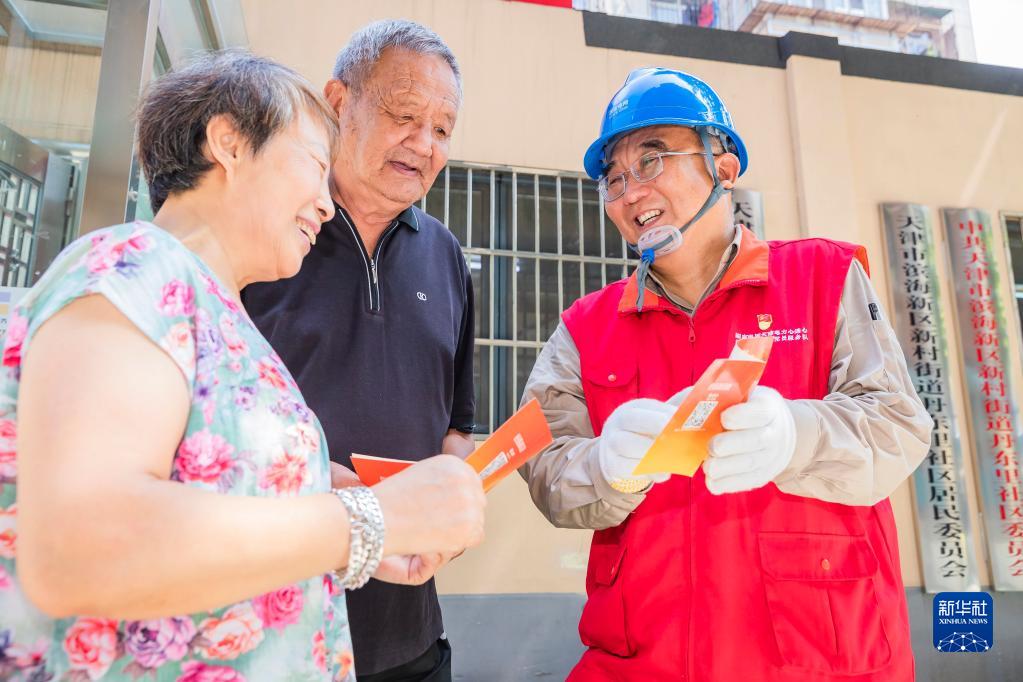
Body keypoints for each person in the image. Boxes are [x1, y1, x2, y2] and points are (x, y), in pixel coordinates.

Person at [0, 51, 485, 681]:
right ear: (229, 142)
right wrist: (371, 520)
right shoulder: (131, 267)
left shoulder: (218, 312)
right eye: (315, 165)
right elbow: (81, 547)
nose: (324, 203)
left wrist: (348, 501)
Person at [519, 67, 933, 681]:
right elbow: (544, 464)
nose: (630, 193)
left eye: (651, 160)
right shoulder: (585, 328)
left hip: (819, 660)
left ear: (724, 166)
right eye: (614, 178)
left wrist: (796, 435)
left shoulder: (822, 278)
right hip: (645, 663)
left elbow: (898, 425)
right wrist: (602, 466)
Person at [242, 21, 473, 682]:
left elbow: (455, 425)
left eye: (442, 128)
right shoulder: (266, 232)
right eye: (404, 115)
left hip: (409, 641)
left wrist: (453, 505)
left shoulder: (446, 256)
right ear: (339, 102)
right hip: (271, 637)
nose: (424, 144)